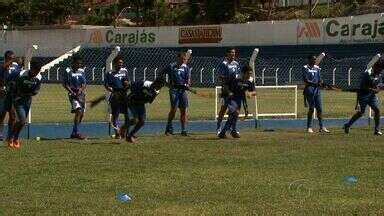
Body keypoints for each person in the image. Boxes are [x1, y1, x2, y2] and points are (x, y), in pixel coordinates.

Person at [344, 58, 384, 135]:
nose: (380, 71)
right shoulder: (367, 75)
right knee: (361, 113)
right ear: (374, 67)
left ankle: (377, 130)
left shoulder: (379, 75)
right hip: (362, 95)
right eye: (379, 69)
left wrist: (378, 89)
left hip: (371, 95)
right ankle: (347, 125)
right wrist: (373, 89)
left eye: (381, 70)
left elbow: (378, 86)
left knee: (377, 110)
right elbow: (362, 87)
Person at [8, 59, 42, 148]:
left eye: (39, 71)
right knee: (22, 120)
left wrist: (32, 92)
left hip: (27, 100)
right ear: (31, 68)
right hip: (18, 100)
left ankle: (13, 137)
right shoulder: (21, 74)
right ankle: (13, 138)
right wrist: (13, 91)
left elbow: (37, 90)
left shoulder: (38, 77)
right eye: (36, 70)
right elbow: (10, 81)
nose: (37, 73)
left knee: (22, 122)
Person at [218, 65, 256, 139]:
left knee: (234, 115)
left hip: (238, 99)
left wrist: (250, 93)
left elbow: (254, 92)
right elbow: (225, 85)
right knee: (235, 112)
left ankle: (228, 132)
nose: (249, 75)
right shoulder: (235, 77)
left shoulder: (250, 80)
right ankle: (229, 131)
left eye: (250, 74)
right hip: (229, 97)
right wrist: (229, 92)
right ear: (243, 73)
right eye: (248, 73)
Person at [125, 77, 165, 142]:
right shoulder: (144, 84)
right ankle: (123, 128)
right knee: (135, 120)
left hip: (140, 103)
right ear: (155, 82)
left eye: (161, 87)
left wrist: (141, 101)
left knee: (142, 122)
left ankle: (130, 135)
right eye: (159, 86)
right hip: (131, 101)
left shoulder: (156, 91)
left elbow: (149, 101)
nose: (159, 88)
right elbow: (131, 85)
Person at [163, 52, 191, 136]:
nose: (183, 61)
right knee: (174, 110)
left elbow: (188, 79)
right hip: (174, 90)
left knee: (184, 111)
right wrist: (167, 84)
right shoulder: (171, 66)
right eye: (182, 59)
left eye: (184, 59)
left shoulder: (186, 67)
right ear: (177, 58)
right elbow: (161, 74)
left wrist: (187, 85)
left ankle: (183, 130)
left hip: (182, 91)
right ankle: (168, 128)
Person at [216, 48, 241, 137]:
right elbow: (221, 77)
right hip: (225, 90)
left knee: (233, 110)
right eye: (231, 52)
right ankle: (219, 127)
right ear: (227, 54)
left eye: (234, 52)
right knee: (223, 109)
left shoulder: (236, 64)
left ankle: (232, 128)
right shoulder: (224, 64)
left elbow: (238, 76)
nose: (233, 54)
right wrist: (226, 87)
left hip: (234, 90)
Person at [104, 55, 130, 139]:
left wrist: (126, 84)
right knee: (115, 115)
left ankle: (126, 133)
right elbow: (106, 85)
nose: (121, 64)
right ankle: (117, 133)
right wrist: (110, 89)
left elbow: (127, 81)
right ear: (115, 63)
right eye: (119, 63)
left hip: (124, 95)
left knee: (127, 114)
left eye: (122, 63)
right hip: (115, 95)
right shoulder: (110, 73)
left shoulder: (125, 71)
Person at [302, 55, 329, 133]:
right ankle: (309, 127)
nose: (315, 60)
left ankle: (321, 127)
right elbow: (305, 80)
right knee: (311, 108)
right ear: (309, 60)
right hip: (309, 90)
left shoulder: (317, 68)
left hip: (317, 90)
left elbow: (320, 79)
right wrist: (315, 84)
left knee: (319, 109)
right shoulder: (305, 67)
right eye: (313, 59)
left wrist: (321, 83)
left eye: (315, 59)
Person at [63, 55, 86, 139]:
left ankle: (74, 133)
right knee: (79, 111)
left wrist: (80, 90)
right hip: (72, 94)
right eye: (78, 63)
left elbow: (84, 83)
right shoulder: (68, 71)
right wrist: (72, 92)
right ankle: (77, 133)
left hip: (81, 94)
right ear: (73, 63)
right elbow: (65, 84)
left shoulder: (82, 71)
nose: (79, 65)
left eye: (80, 63)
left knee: (82, 114)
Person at [0, 50, 20, 145]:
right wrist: (12, 61)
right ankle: (0, 135)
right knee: (1, 114)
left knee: (13, 116)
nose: (13, 59)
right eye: (11, 58)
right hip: (2, 93)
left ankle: (10, 136)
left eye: (13, 58)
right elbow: (3, 67)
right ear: (6, 58)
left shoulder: (16, 66)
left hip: (12, 93)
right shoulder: (2, 64)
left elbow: (19, 76)